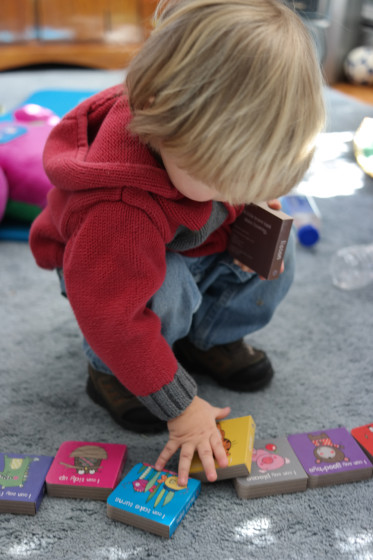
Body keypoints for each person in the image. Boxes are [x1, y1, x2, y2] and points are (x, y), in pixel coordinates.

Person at [29, 0, 325, 486]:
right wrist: (181, 407)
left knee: (276, 249)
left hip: (184, 237)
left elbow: (218, 186)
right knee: (162, 291)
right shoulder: (118, 208)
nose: (238, 192)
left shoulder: (194, 152)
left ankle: (208, 340)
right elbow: (111, 314)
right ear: (164, 121)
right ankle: (112, 373)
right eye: (227, 178)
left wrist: (253, 207)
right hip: (106, 280)